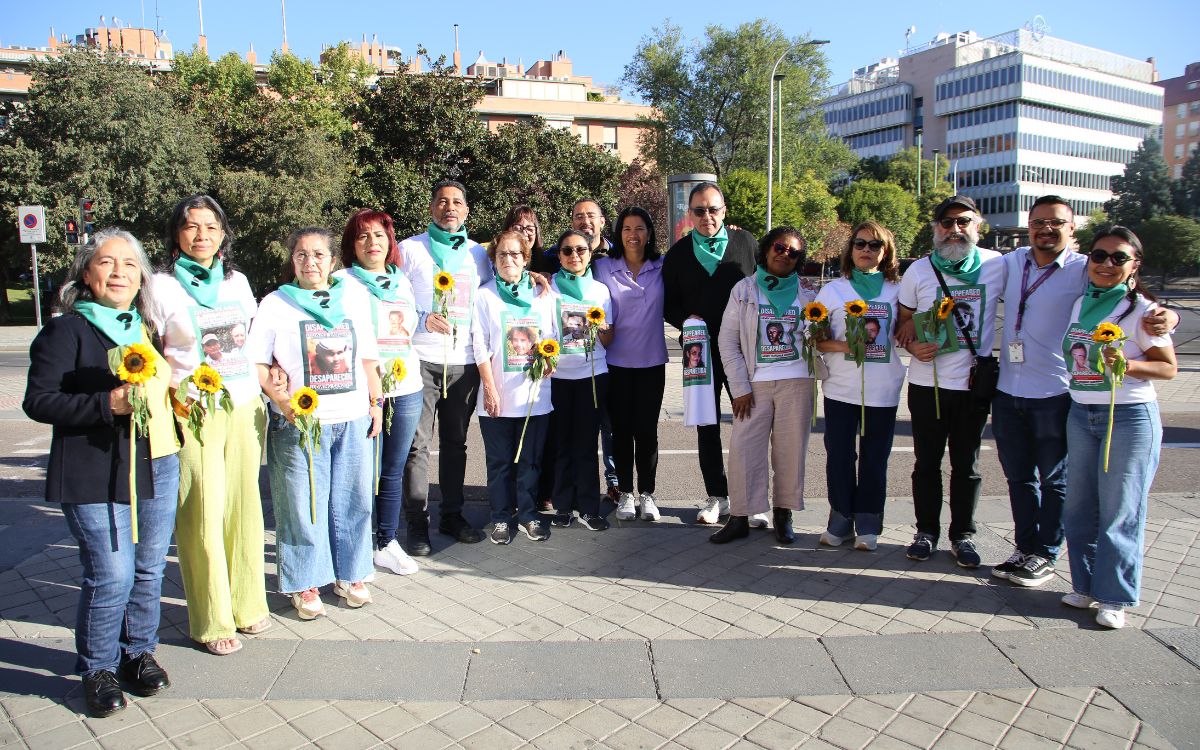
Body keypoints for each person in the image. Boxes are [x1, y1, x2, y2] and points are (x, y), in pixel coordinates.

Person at [24, 229, 180, 717]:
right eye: (107, 263)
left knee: (148, 569)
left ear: (142, 278)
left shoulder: (144, 328)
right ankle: (98, 667)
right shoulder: (66, 331)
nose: (119, 273)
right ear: (86, 274)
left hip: (158, 461)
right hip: (94, 468)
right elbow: (38, 401)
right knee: (111, 574)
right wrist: (104, 404)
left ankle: (137, 653)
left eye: (130, 265)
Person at [990, 195, 1177, 587]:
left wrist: (1169, 316)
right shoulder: (1011, 262)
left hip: (1057, 392)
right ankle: (1024, 548)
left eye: (1056, 222)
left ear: (1071, 229)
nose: (1046, 228)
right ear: (1029, 226)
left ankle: (1046, 553)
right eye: (1039, 222)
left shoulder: (1083, 268)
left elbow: (1131, 298)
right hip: (1008, 389)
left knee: (1055, 481)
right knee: (1019, 478)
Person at [150, 195, 269, 657]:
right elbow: (152, 348)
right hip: (194, 411)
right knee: (201, 510)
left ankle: (247, 603)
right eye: (191, 226)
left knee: (244, 507)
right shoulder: (160, 286)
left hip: (243, 404)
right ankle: (212, 619)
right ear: (176, 234)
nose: (202, 235)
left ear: (223, 235)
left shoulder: (237, 281)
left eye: (211, 226)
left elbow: (252, 341)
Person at [246, 227, 384, 620]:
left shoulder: (353, 296)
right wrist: (281, 401)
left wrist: (376, 403)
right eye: (302, 255)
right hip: (300, 424)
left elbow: (368, 358)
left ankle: (351, 575)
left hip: (352, 418)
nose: (311, 262)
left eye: (319, 255)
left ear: (333, 261)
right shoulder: (276, 303)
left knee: (354, 502)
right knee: (302, 505)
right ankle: (304, 581)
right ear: (292, 261)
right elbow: (257, 361)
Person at [1061, 226, 1176, 628]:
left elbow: (1167, 367)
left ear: (1134, 265)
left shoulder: (1143, 311)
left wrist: (1128, 364)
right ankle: (1085, 585)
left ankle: (1114, 596)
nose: (1106, 264)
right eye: (1099, 256)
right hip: (1081, 413)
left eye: (1118, 257)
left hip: (1127, 417)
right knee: (1078, 508)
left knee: (1119, 509)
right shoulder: (1082, 304)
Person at [896, 195, 1003, 568]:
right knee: (926, 463)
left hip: (973, 385)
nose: (954, 229)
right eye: (946, 223)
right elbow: (903, 321)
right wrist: (913, 344)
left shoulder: (997, 264)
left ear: (978, 225)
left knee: (967, 465)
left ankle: (963, 535)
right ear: (936, 229)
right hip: (928, 384)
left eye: (963, 221)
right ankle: (926, 531)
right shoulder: (919, 270)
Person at [396, 181, 490, 555]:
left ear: (466, 210)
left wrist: (533, 278)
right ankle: (417, 524)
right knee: (417, 446)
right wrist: (422, 318)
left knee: (456, 444)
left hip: (463, 364)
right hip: (420, 360)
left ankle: (452, 515)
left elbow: (494, 295)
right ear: (431, 207)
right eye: (442, 201)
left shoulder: (477, 253)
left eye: (457, 202)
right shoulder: (410, 249)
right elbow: (393, 299)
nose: (449, 207)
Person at [333, 208, 424, 577]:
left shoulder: (402, 281)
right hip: (361, 391)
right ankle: (353, 547)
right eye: (363, 236)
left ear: (390, 242)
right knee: (357, 472)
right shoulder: (340, 282)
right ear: (352, 245)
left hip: (406, 386)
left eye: (379, 235)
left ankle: (386, 542)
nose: (372, 242)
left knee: (392, 470)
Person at [710, 226, 816, 544]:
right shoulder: (745, 289)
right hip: (754, 385)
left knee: (790, 452)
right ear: (767, 249)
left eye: (793, 252)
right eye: (780, 247)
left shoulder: (808, 292)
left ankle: (784, 514)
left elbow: (819, 334)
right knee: (744, 451)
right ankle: (740, 516)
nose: (785, 255)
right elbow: (727, 341)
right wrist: (740, 387)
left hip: (797, 381)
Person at [662, 182, 757, 524]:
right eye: (699, 210)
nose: (707, 216)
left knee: (750, 422)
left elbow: (764, 283)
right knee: (707, 424)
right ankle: (717, 495)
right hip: (699, 351)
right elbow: (668, 303)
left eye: (713, 209)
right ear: (690, 214)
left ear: (724, 210)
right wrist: (685, 319)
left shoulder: (745, 243)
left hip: (742, 350)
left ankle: (751, 497)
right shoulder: (678, 254)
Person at [814, 221, 907, 551]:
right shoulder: (832, 291)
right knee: (839, 457)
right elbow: (817, 339)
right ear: (850, 250)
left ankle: (868, 523)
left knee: (875, 459)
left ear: (886, 251)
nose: (866, 250)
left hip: (883, 389)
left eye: (874, 245)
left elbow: (908, 332)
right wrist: (845, 346)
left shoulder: (899, 291)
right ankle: (840, 519)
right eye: (860, 244)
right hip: (841, 389)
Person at [473, 230, 558, 544]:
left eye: (515, 254)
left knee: (530, 462)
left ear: (526, 259)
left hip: (534, 395)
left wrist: (551, 359)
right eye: (502, 254)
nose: (508, 259)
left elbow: (552, 336)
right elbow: (480, 346)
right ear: (494, 260)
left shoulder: (542, 295)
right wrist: (489, 388)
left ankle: (528, 515)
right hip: (498, 395)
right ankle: (500, 517)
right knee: (499, 463)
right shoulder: (485, 296)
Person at [594, 207, 668, 522]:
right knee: (621, 432)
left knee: (647, 432)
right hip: (615, 363)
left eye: (639, 228)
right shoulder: (602, 267)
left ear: (649, 233)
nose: (633, 235)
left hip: (652, 362)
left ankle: (647, 493)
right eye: (626, 229)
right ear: (618, 233)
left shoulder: (663, 266)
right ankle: (625, 492)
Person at [547, 229, 614, 530]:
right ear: (559, 255)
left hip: (592, 375)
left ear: (589, 254)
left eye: (580, 250)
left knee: (586, 444)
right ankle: (563, 505)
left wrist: (602, 326)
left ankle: (588, 507)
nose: (574, 255)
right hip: (558, 377)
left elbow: (609, 340)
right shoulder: (548, 287)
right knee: (561, 443)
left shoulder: (601, 290)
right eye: (567, 250)